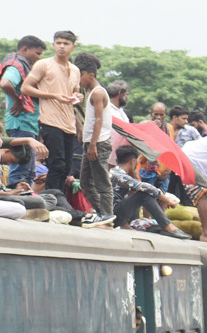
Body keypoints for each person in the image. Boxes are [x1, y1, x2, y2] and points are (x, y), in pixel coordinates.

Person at [22, 31, 81, 194]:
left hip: (69, 123)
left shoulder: (75, 70)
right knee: (57, 163)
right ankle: (52, 199)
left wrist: (77, 96)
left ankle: (58, 197)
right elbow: (25, 88)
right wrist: (53, 96)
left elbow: (75, 91)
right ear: (54, 45)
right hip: (49, 121)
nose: (62, 46)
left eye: (66, 43)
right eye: (59, 43)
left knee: (67, 167)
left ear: (73, 47)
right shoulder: (44, 64)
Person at [0, 35, 47, 186]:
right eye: (37, 53)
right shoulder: (16, 66)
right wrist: (18, 101)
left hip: (28, 125)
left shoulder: (27, 68)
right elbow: (5, 84)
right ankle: (17, 201)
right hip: (20, 124)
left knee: (29, 171)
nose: (39, 58)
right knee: (21, 171)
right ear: (25, 49)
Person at [110, 145, 188, 237]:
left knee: (135, 192)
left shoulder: (113, 172)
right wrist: (168, 201)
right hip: (112, 217)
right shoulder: (118, 175)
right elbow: (148, 188)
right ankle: (168, 226)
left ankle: (126, 225)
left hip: (114, 214)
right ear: (133, 161)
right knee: (144, 193)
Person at [74, 52, 115, 220]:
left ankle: (107, 215)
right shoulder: (91, 93)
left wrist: (92, 144)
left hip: (98, 144)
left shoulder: (98, 93)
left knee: (101, 182)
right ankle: (101, 212)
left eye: (81, 75)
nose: (79, 79)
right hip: (90, 142)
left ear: (90, 75)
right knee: (85, 182)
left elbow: (99, 120)